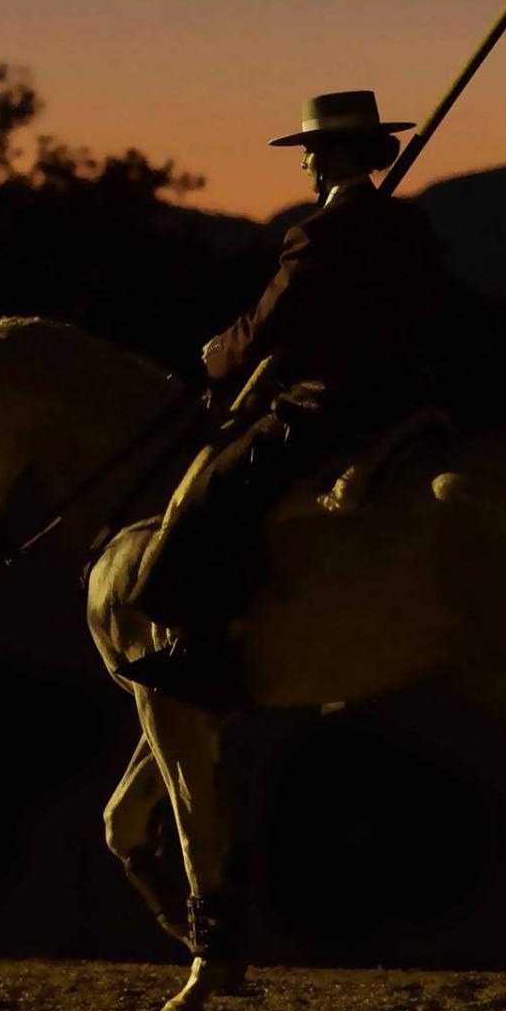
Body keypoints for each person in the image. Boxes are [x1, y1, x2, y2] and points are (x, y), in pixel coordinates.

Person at [119, 90, 450, 706]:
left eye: (306, 152)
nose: (302, 165)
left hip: (336, 401)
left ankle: (204, 650)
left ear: (327, 157)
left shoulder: (318, 234)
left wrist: (218, 354)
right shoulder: (407, 223)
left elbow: (269, 325)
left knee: (214, 492)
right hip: (410, 396)